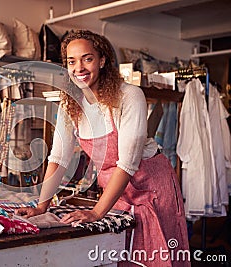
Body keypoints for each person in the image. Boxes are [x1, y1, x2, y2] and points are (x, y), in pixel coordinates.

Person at [16, 30, 190, 266]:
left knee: (157, 256)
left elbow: (127, 164)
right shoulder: (71, 106)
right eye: (71, 61)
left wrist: (97, 213)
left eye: (87, 58)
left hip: (152, 189)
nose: (79, 68)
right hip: (118, 191)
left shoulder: (130, 96)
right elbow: (58, 158)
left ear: (102, 60)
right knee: (121, 256)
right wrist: (41, 206)